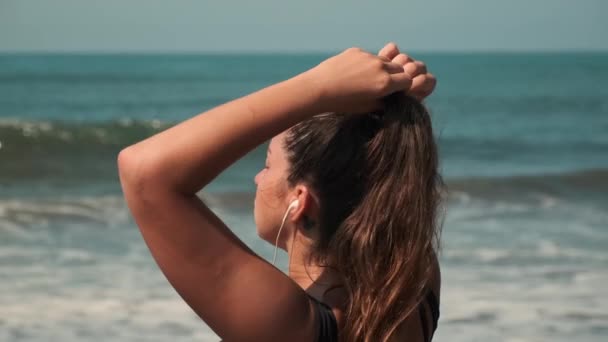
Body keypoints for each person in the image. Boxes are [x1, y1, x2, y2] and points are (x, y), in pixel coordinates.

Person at [117, 42, 443, 342]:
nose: (258, 178)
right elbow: (392, 183)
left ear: (299, 200)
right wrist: (392, 112)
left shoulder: (290, 324)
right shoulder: (412, 292)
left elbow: (145, 175)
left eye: (268, 164)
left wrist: (319, 87)